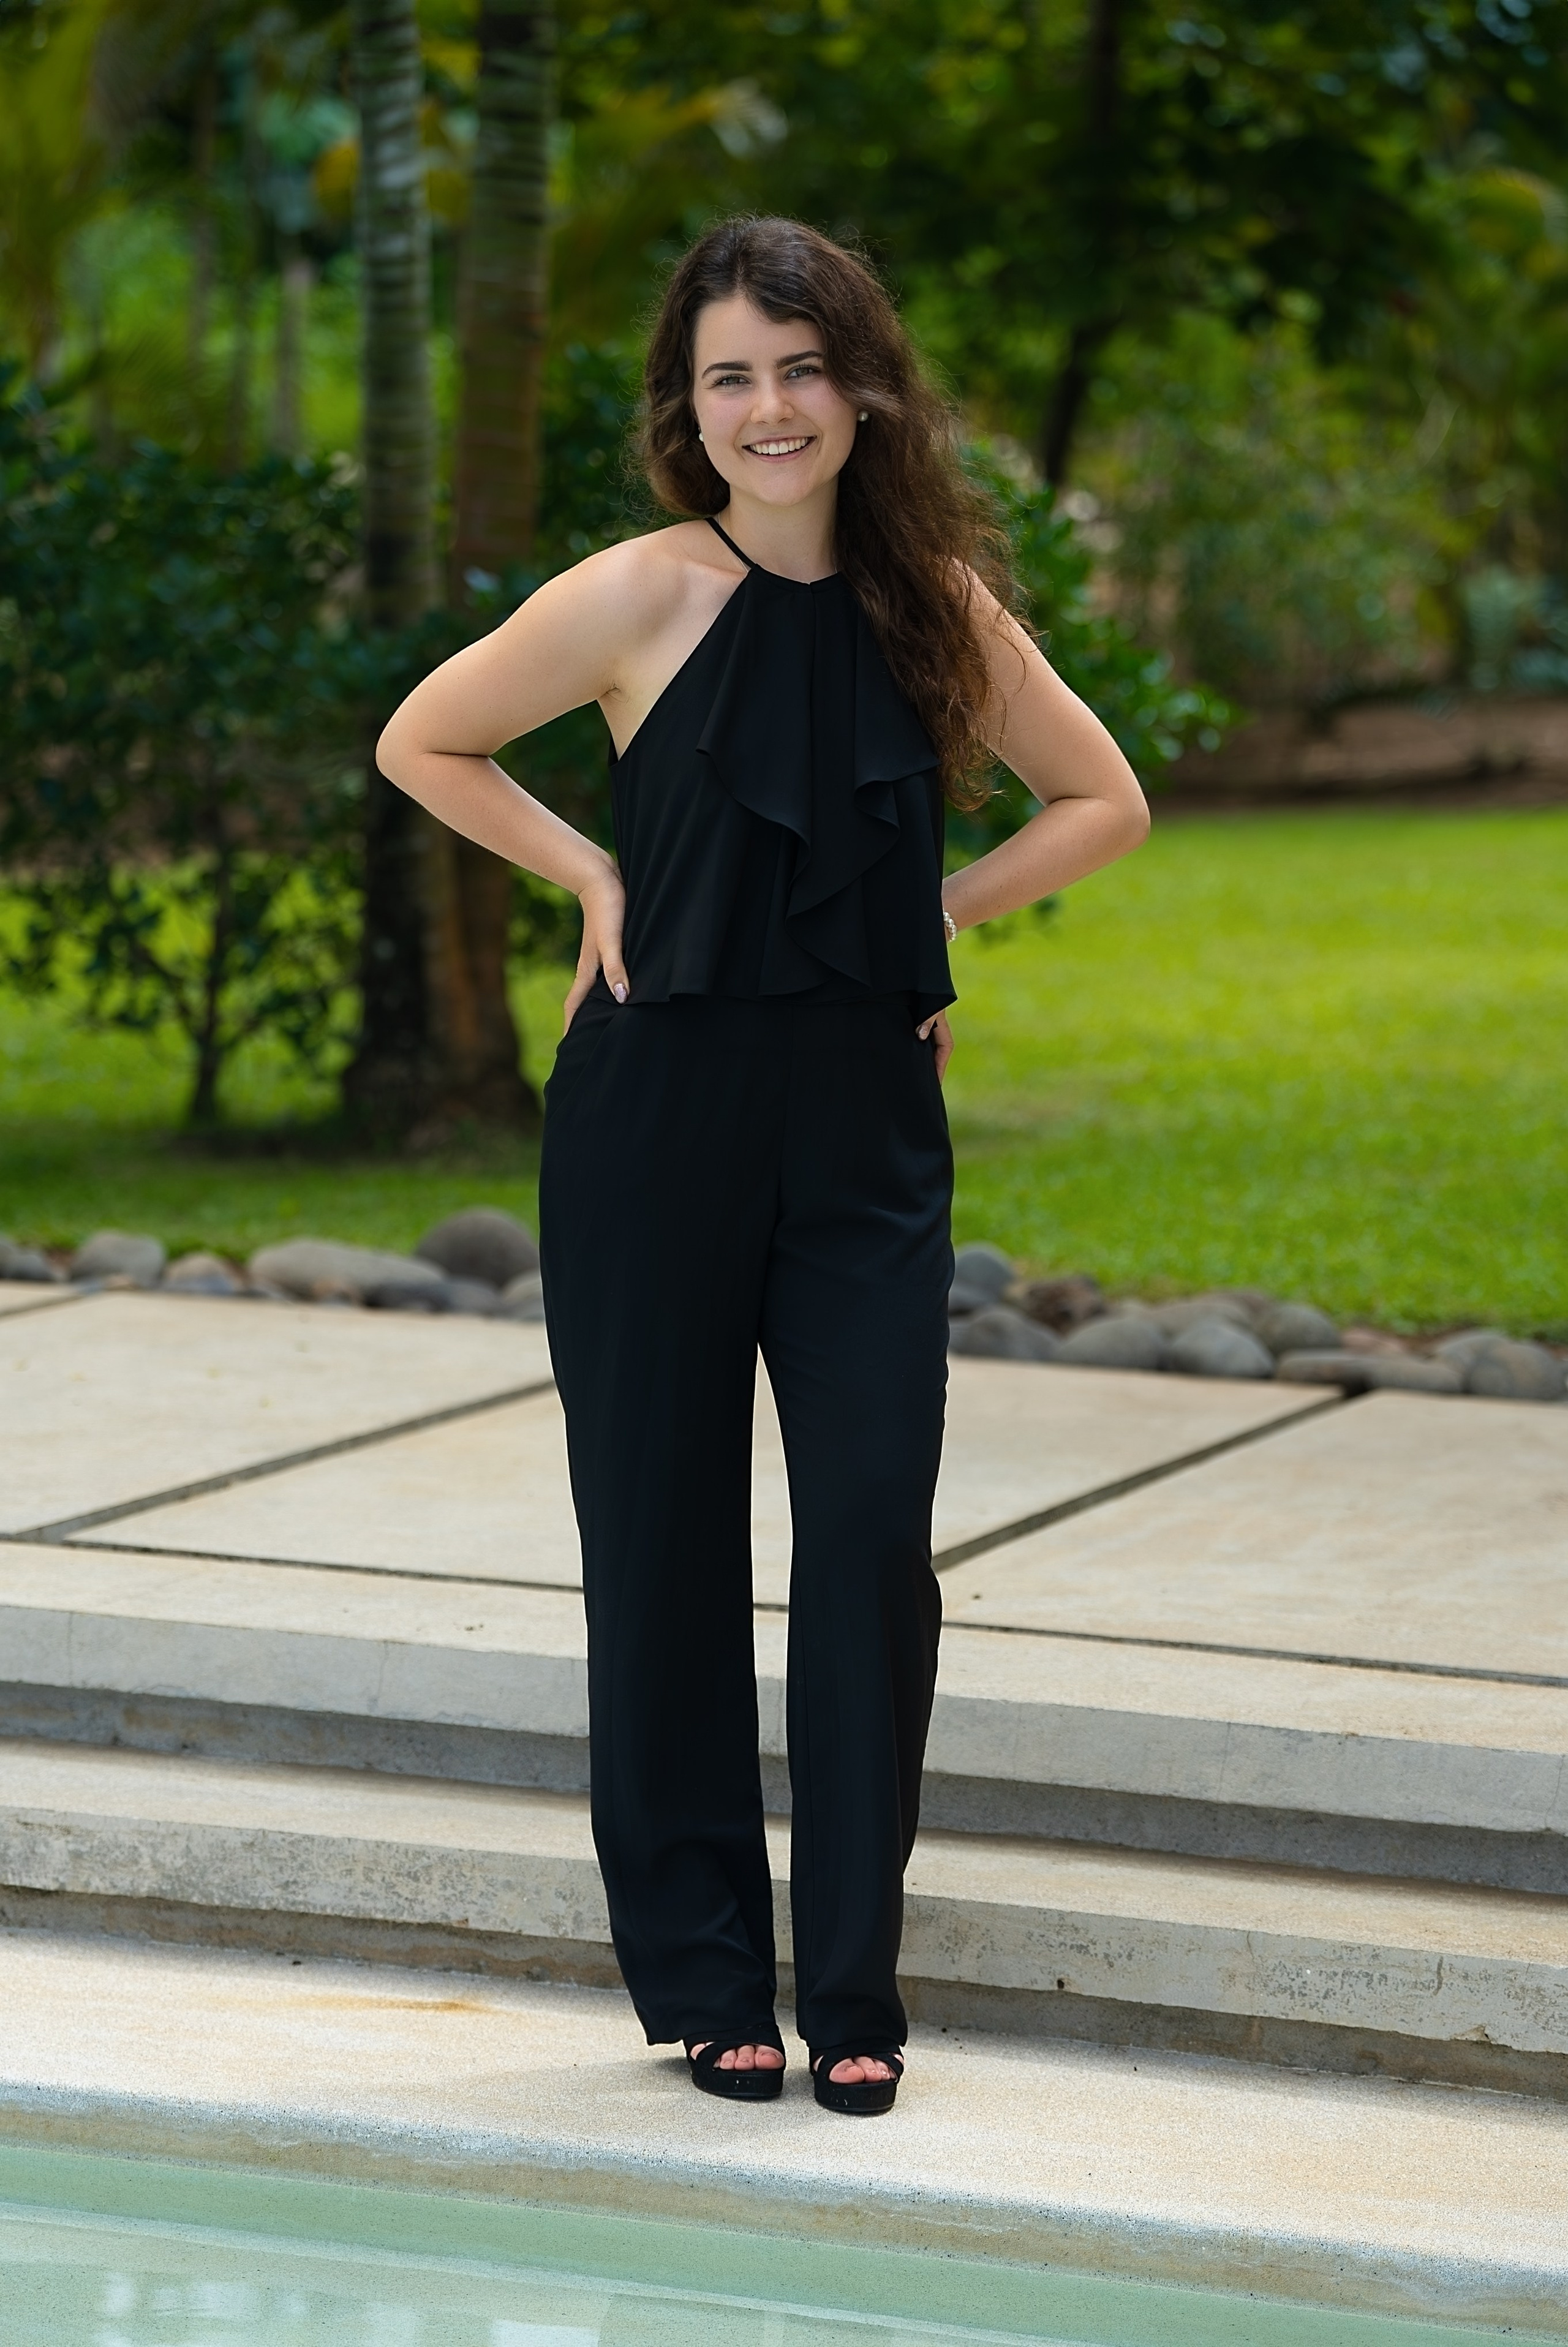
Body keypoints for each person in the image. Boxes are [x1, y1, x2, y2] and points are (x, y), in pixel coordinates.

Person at [377, 215, 1148, 2116]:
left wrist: (930, 917)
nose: (770, 408)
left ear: (863, 389)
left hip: (868, 1137)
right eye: (732, 375)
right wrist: (594, 870)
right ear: (690, 407)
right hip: (654, 1119)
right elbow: (426, 740)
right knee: (661, 1541)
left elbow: (1107, 797)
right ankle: (712, 1972)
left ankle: (857, 1985)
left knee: (874, 1532)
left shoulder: (942, 607)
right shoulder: (635, 596)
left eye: (803, 369)